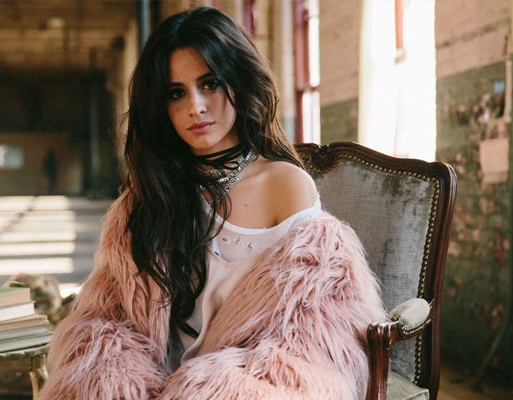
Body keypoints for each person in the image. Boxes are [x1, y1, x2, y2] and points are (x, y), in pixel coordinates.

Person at [40, 7, 385, 400]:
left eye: (210, 84)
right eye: (176, 93)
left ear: (238, 82)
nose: (196, 106)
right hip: (154, 382)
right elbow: (109, 315)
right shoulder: (150, 195)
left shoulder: (284, 185)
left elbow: (310, 336)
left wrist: (207, 387)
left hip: (243, 383)